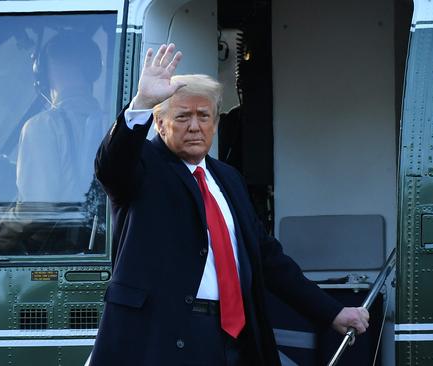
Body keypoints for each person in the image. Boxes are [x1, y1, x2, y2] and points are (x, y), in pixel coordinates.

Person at [91, 43, 370, 365]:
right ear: (160, 123)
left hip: (232, 335)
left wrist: (332, 312)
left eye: (203, 116)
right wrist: (141, 103)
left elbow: (267, 259)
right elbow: (111, 165)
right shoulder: (144, 166)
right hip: (163, 336)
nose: (195, 126)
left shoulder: (228, 178)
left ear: (215, 123)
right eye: (182, 116)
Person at [0, 32, 106, 254]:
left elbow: (37, 209)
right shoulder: (110, 123)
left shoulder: (43, 126)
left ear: (45, 71)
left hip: (50, 252)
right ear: (93, 71)